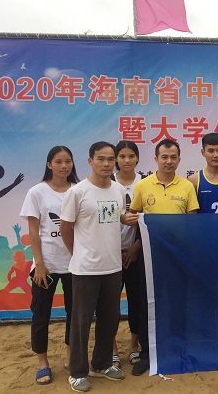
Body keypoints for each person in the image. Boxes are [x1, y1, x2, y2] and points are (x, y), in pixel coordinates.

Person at [61, 141, 138, 392]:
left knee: (110, 319)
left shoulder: (118, 190)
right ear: (90, 161)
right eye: (101, 159)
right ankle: (77, 371)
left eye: (110, 159)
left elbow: (116, 217)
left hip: (113, 267)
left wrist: (127, 218)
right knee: (81, 322)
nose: (106, 164)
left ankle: (101, 364)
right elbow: (65, 227)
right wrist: (77, 254)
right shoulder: (77, 192)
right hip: (86, 269)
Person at [128, 138, 199, 375]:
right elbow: (134, 215)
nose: (169, 161)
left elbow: (192, 221)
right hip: (149, 256)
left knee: (178, 302)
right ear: (156, 159)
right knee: (147, 303)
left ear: (179, 160)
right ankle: (147, 353)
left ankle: (179, 348)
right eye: (164, 157)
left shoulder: (187, 186)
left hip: (177, 255)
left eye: (173, 157)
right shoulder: (143, 185)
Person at [20, 146, 79, 385]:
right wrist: (40, 264)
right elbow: (34, 231)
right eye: (58, 161)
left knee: (75, 314)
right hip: (46, 265)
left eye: (68, 161)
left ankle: (70, 355)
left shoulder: (79, 190)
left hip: (75, 264)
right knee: (41, 314)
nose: (64, 166)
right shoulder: (37, 192)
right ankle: (42, 362)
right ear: (49, 164)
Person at [110, 141, 144, 370]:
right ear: (116, 159)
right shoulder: (106, 183)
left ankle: (134, 345)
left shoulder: (145, 183)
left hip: (137, 253)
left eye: (131, 156)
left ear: (137, 158)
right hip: (110, 254)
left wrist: (136, 246)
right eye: (122, 156)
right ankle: (112, 349)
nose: (127, 160)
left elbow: (150, 218)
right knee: (109, 304)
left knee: (137, 301)